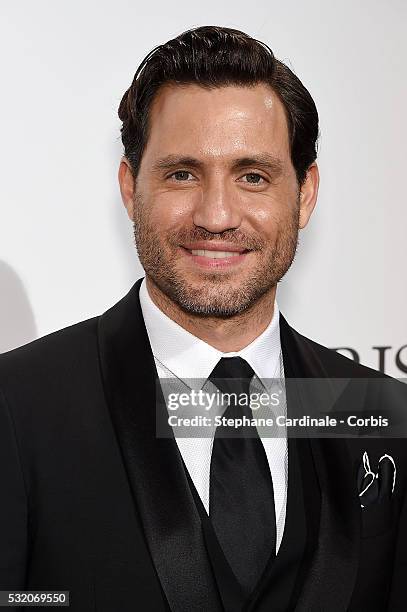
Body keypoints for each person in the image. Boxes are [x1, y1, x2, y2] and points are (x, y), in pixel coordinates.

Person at [0, 25, 406, 612]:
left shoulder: (376, 413)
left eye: (253, 176)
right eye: (182, 173)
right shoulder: (17, 407)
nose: (216, 215)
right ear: (129, 187)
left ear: (306, 194)